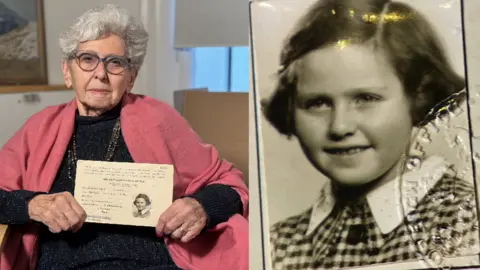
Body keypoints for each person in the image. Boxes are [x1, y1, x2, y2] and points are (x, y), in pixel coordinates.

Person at [0, 4, 248, 270]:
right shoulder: (39, 128)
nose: (100, 74)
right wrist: (33, 204)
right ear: (67, 71)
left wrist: (201, 207)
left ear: (131, 78)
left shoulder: (159, 119)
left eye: (115, 63)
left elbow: (231, 187)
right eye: (87, 59)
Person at [261, 0, 479, 269]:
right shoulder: (279, 243)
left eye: (366, 98)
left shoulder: (466, 221)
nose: (339, 127)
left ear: (419, 97)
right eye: (318, 103)